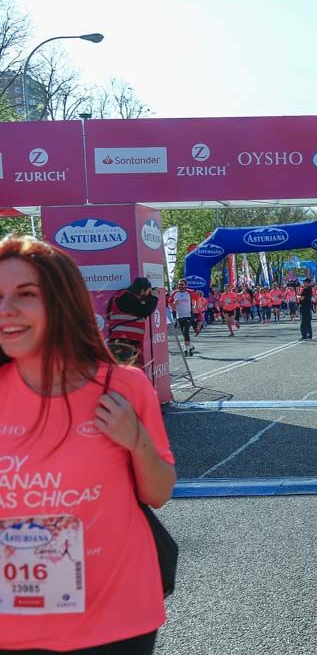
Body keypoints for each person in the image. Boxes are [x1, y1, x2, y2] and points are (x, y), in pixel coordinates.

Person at [0, 235, 176, 654]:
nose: (6, 308)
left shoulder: (123, 387)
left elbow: (159, 492)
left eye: (26, 294)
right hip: (12, 624)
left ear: (63, 302)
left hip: (114, 619)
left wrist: (137, 441)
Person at [105, 277, 159, 367]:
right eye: (148, 291)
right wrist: (154, 298)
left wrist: (149, 297)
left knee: (128, 371)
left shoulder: (127, 297)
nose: (148, 294)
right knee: (124, 371)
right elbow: (146, 310)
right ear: (142, 290)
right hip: (122, 342)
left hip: (126, 342)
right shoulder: (125, 297)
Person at [168, 279, 196, 357]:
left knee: (186, 332)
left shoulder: (190, 292)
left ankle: (186, 349)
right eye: (179, 284)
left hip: (188, 315)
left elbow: (197, 299)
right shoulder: (174, 293)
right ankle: (190, 346)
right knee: (184, 333)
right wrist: (174, 303)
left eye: (182, 285)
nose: (180, 286)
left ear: (186, 285)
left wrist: (195, 307)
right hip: (179, 316)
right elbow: (169, 304)